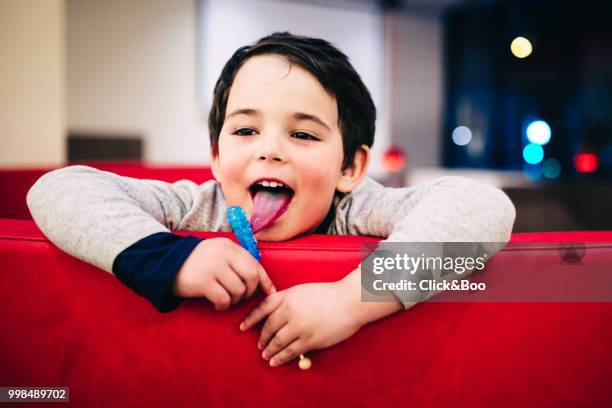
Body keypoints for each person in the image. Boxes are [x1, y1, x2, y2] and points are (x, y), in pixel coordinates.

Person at [27, 32, 515, 367]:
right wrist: (174, 258)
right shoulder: (201, 205)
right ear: (217, 157)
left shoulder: (357, 209)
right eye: (245, 129)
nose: (269, 149)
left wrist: (350, 300)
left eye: (302, 134)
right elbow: (58, 188)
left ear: (350, 168)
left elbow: (482, 208)